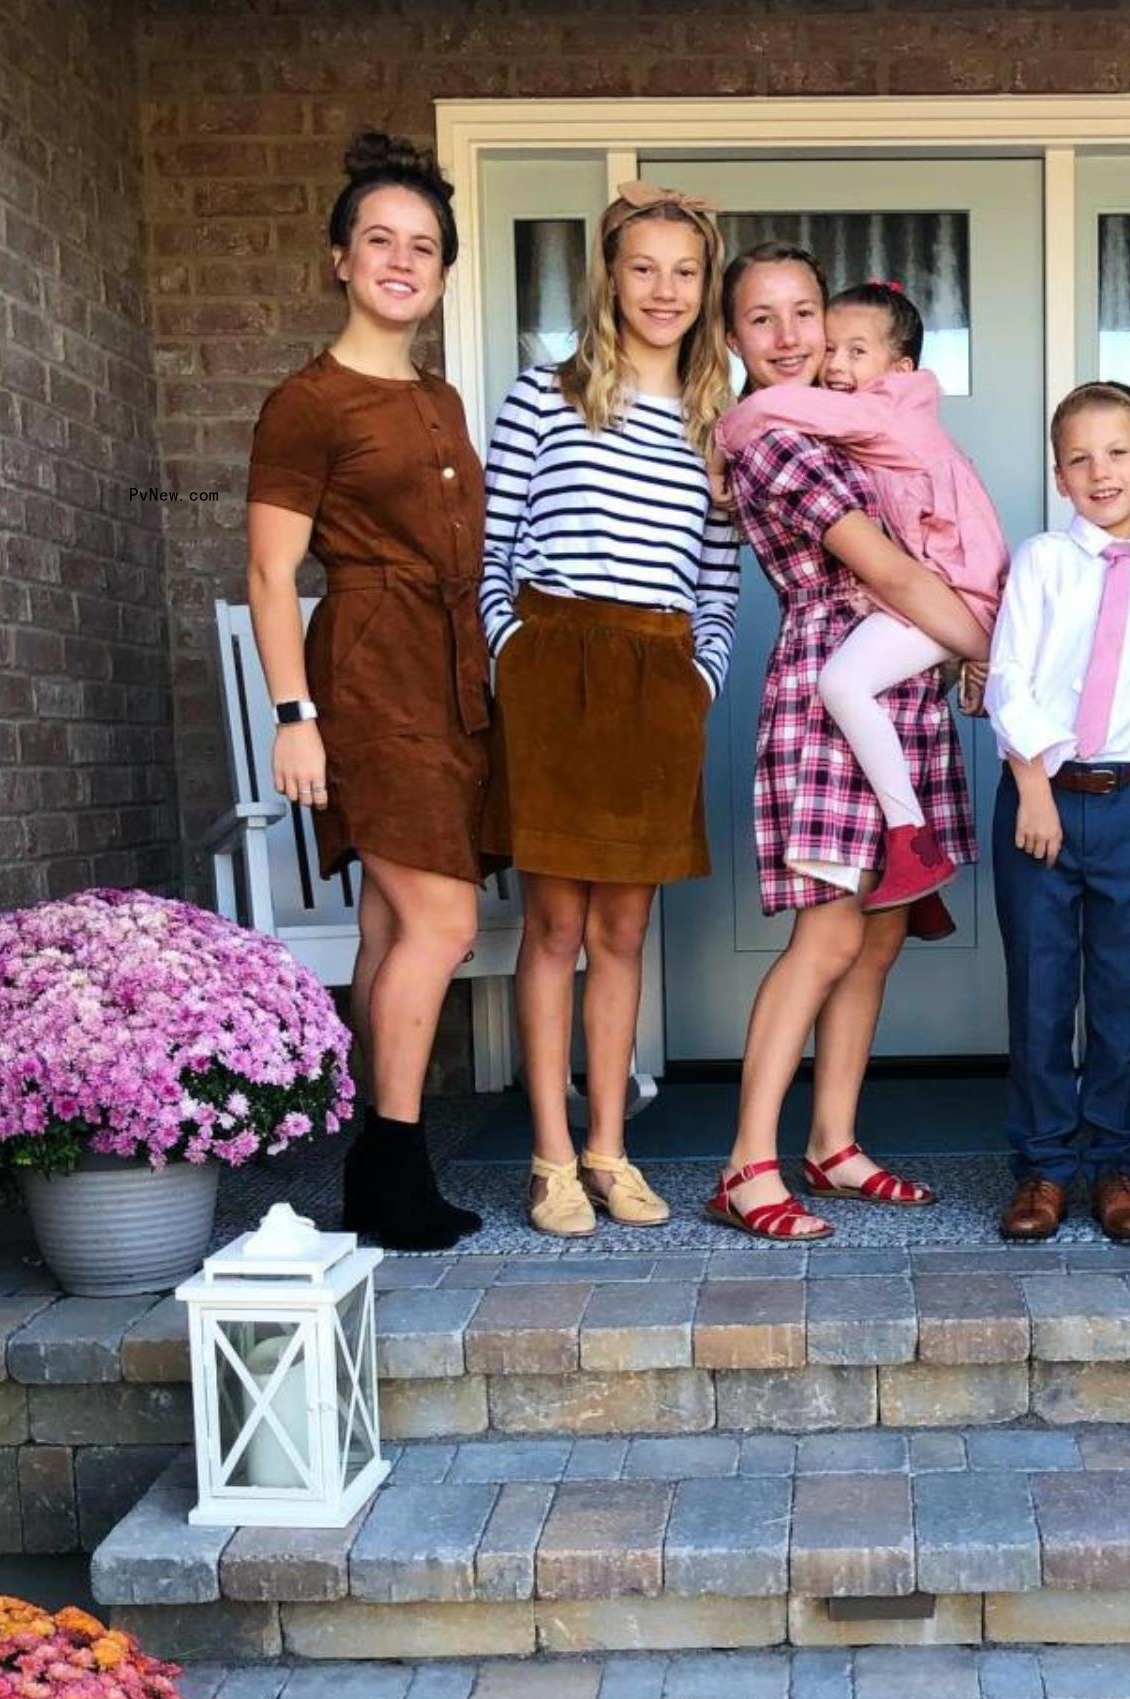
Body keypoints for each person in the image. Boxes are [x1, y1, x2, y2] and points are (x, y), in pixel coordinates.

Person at [708, 244, 989, 1241]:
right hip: (836, 691)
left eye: (803, 313)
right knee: (828, 934)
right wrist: (995, 652)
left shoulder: (844, 420)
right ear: (732, 337)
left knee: (876, 938)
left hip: (896, 691)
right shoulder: (775, 443)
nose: (788, 337)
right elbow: (899, 576)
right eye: (760, 319)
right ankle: (748, 1163)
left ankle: (832, 1144)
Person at [479, 184, 740, 1238]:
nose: (664, 289)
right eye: (643, 267)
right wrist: (513, 658)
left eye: (685, 270)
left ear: (705, 284)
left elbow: (718, 582)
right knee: (554, 924)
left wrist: (700, 678)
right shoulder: (543, 397)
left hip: (658, 675)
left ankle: (608, 1151)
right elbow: (490, 556)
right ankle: (549, 1158)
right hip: (555, 663)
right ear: (609, 276)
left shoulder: (718, 422)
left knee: (624, 929)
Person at [246, 131, 489, 1252]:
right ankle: (390, 1161)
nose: (401, 260)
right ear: (339, 259)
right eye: (379, 240)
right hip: (367, 671)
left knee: (395, 920)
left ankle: (375, 1174)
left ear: (442, 271)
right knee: (443, 917)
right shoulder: (309, 400)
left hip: (449, 678)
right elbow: (268, 571)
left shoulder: (438, 398)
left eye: (423, 246)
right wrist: (294, 717)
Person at [986, 382, 1130, 1244]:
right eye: (1080, 458)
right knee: (1043, 995)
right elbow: (1009, 678)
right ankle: (1044, 1168)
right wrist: (1037, 784)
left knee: (1122, 998)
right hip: (1042, 802)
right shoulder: (1044, 560)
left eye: (1118, 453)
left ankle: (1118, 1166)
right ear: (1059, 474)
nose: (1101, 471)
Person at [715, 280, 1008, 914]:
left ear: (899, 368)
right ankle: (910, 847)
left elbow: (788, 413)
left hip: (951, 596)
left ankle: (910, 840)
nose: (839, 368)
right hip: (946, 597)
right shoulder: (869, 426)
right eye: (834, 351)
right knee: (847, 685)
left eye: (857, 352)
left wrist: (725, 431)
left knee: (843, 683)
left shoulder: (888, 407)